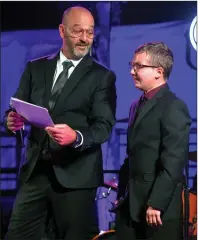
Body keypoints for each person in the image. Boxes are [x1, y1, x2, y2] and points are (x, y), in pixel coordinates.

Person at [4, 6, 117, 240]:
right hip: (35, 172)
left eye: (90, 32)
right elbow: (16, 106)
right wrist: (10, 119)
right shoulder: (35, 68)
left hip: (75, 176)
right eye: (78, 32)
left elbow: (103, 126)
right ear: (62, 30)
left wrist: (76, 136)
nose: (85, 39)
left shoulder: (102, 76)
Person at [115, 42, 191, 240]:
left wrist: (156, 203)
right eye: (132, 65)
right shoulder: (135, 105)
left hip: (157, 210)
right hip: (130, 205)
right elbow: (133, 154)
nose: (132, 71)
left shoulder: (173, 106)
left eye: (138, 66)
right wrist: (121, 195)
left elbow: (173, 160)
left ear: (159, 71)